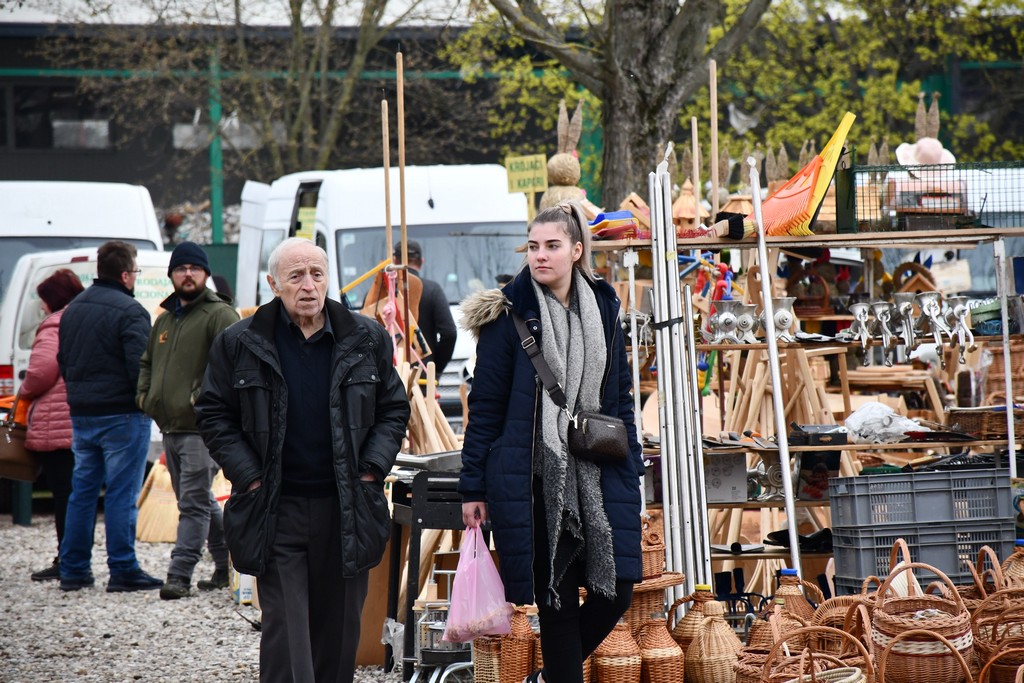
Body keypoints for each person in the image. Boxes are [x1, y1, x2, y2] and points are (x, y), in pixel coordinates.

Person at [195, 237, 410, 683]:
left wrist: (371, 469)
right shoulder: (241, 341)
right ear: (274, 284)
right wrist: (249, 477)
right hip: (275, 505)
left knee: (340, 631)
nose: (308, 285)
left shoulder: (364, 336)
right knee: (286, 633)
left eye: (317, 274)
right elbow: (213, 412)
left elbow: (394, 407)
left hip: (347, 504)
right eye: (296, 276)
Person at [458, 201, 645, 683]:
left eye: (552, 246)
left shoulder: (604, 307)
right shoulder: (507, 316)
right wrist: (472, 488)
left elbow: (621, 395)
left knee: (618, 590)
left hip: (601, 469)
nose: (540, 255)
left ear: (576, 250)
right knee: (556, 602)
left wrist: (635, 466)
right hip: (536, 480)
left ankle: (548, 675)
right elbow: (486, 409)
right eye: (533, 246)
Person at [56, 241, 163, 593]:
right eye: (134, 272)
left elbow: (63, 360)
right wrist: (148, 402)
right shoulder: (131, 311)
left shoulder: (73, 309)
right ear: (124, 274)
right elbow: (140, 367)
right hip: (122, 415)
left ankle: (73, 568)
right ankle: (122, 568)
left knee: (82, 493)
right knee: (120, 493)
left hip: (82, 413)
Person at [137, 241, 240, 600]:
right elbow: (147, 362)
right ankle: (227, 563)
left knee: (193, 505)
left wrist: (202, 401)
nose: (188, 274)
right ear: (172, 275)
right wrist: (145, 397)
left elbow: (233, 366)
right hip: (170, 427)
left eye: (195, 268)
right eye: (181, 269)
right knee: (200, 502)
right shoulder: (164, 319)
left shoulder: (219, 314)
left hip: (202, 429)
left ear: (206, 274)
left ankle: (178, 574)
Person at [21, 269, 85, 581]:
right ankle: (73, 559)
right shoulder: (85, 319)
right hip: (78, 418)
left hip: (56, 422)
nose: (42, 307)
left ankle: (67, 560)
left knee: (64, 494)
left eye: (45, 300)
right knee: (76, 493)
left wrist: (24, 390)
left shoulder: (54, 326)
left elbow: (41, 372)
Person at [393, 240, 457, 376]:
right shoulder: (432, 290)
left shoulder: (379, 292)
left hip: (387, 377)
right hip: (423, 375)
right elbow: (449, 333)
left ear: (394, 260)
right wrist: (435, 365)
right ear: (421, 262)